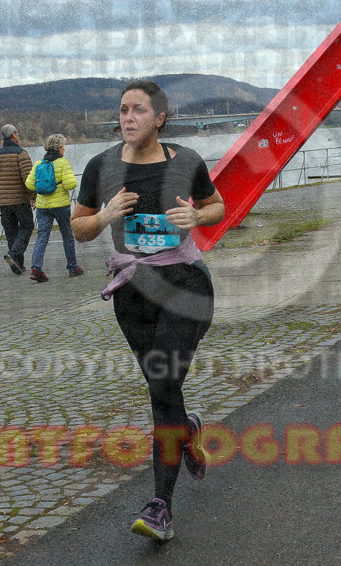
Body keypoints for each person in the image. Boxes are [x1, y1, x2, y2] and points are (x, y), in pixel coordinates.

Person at [71, 80, 225, 541]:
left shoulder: (187, 162)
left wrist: (197, 218)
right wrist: (104, 216)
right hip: (132, 291)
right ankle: (187, 427)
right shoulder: (101, 167)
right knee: (165, 392)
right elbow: (79, 228)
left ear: (160, 117)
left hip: (184, 286)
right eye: (122, 110)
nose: (128, 118)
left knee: (162, 384)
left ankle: (160, 506)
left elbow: (217, 205)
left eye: (139, 110)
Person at [24, 133, 84, 281]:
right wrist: (60, 184)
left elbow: (29, 184)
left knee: (42, 236)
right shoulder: (63, 163)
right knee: (67, 236)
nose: (64, 148)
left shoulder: (39, 164)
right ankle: (72, 267)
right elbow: (71, 184)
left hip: (43, 206)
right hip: (60, 205)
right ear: (58, 147)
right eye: (63, 146)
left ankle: (36, 268)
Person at [0, 124, 34, 275]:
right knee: (27, 227)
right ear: (13, 135)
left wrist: (2, 191)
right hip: (20, 200)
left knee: (11, 232)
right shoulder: (21, 154)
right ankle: (13, 255)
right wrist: (32, 196)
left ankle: (18, 264)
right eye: (17, 133)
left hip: (4, 202)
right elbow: (28, 179)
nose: (18, 135)